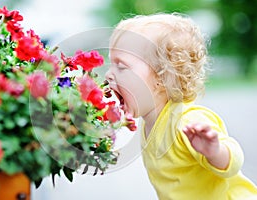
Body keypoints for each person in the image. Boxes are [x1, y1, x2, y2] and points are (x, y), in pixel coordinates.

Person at [105, 13, 257, 199]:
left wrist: (215, 151)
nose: (108, 74)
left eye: (121, 67)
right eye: (111, 64)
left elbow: (234, 161)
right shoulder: (150, 121)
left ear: (161, 76)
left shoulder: (186, 120)